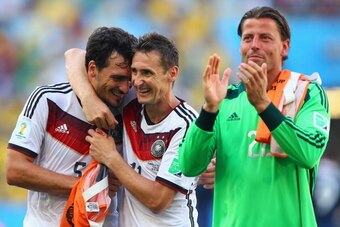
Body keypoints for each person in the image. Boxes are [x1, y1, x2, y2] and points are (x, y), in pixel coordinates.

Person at [179, 6, 330, 227]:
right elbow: (189, 166)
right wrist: (209, 108)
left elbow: (308, 153)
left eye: (265, 38)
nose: (254, 45)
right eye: (248, 38)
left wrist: (262, 104)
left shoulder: (306, 92)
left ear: (284, 47)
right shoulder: (225, 100)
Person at [5, 26, 137, 226]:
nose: (125, 88)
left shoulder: (131, 111)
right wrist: (89, 187)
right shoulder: (49, 101)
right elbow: (15, 170)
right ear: (92, 69)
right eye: (117, 78)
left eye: (129, 80)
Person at [67, 32, 199, 226]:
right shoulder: (131, 106)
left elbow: (158, 200)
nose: (137, 82)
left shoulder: (186, 123)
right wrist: (88, 98)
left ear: (172, 73)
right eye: (134, 72)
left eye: (147, 73)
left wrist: (111, 157)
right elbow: (74, 55)